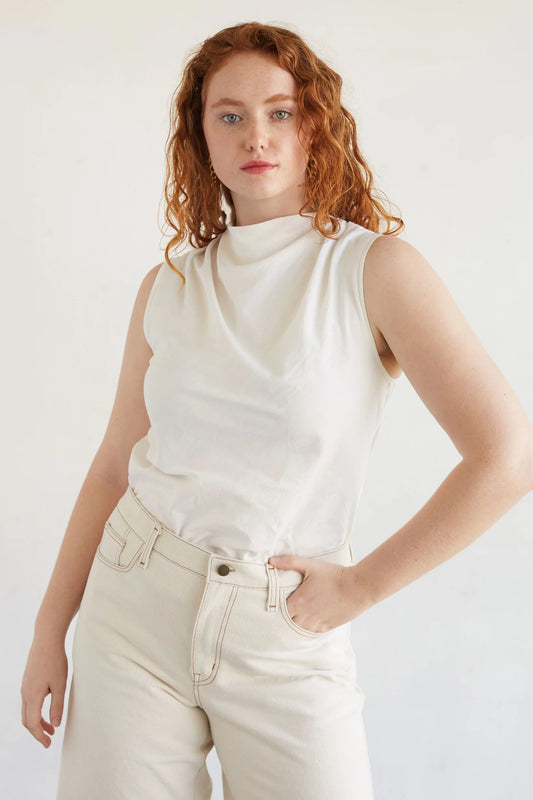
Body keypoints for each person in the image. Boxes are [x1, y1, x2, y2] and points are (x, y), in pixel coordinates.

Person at [21, 20, 533, 800]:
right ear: (200, 137)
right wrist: (47, 632)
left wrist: (361, 586)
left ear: (313, 126)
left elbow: (507, 457)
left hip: (284, 628)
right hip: (133, 610)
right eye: (228, 115)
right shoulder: (170, 286)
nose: (254, 135)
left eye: (279, 111)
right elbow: (112, 471)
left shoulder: (373, 270)